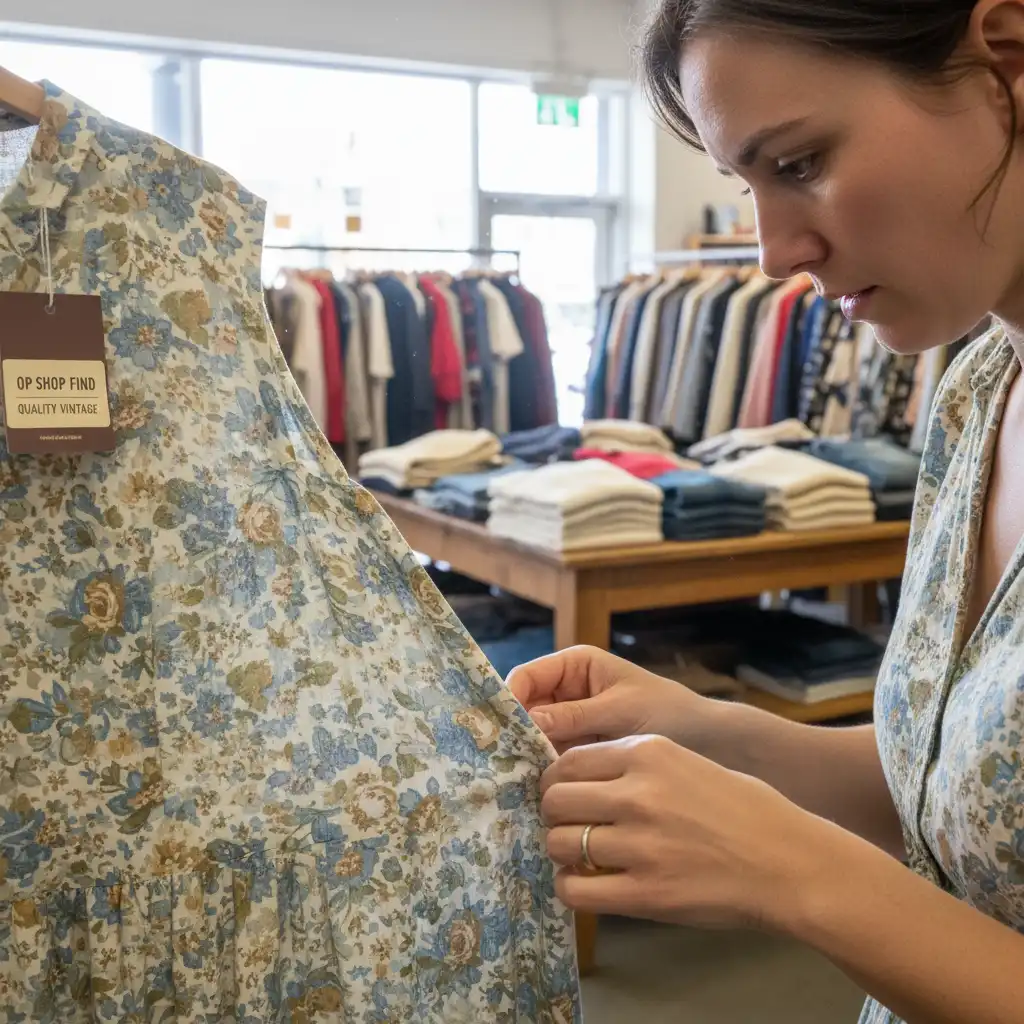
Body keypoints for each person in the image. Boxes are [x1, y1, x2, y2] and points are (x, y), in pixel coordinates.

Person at [508, 2, 1024, 1022]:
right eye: (744, 187)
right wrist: (709, 731)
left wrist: (796, 875)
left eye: (796, 163)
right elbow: (965, 794)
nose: (771, 254)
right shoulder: (977, 391)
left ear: (1004, 59)